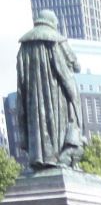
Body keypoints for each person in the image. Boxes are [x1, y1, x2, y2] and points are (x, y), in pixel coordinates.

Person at [15, 9, 84, 170]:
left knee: (38, 123)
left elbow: (21, 77)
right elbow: (75, 66)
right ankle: (59, 157)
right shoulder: (56, 40)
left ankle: (39, 158)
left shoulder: (24, 46)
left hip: (32, 99)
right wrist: (73, 96)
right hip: (55, 96)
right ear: (52, 23)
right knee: (59, 123)